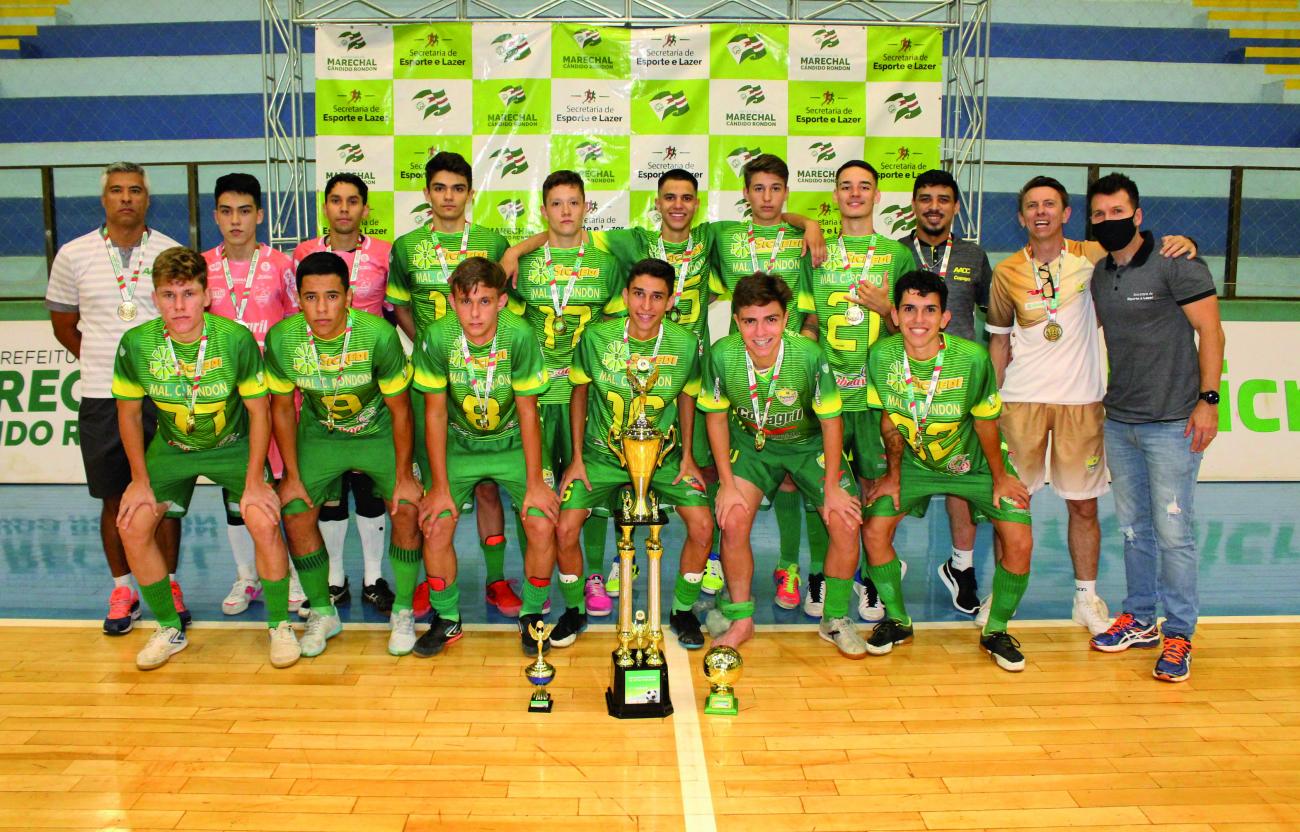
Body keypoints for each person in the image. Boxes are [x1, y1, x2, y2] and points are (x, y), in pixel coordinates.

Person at [501, 168, 727, 613]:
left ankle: (595, 575)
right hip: (540, 397)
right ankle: (539, 585)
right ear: (544, 210)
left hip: (597, 394)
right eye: (556, 204)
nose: (566, 211)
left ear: (587, 207)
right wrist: (514, 249)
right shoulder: (527, 264)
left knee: (597, 498)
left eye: (574, 203)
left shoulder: (607, 261)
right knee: (539, 498)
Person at [986, 175, 1199, 635]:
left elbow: (1144, 249)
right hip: (1020, 402)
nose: (1041, 212)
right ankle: (1003, 594)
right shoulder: (1005, 272)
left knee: (1083, 507)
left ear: (1066, 213)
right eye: (1031, 206)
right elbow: (999, 343)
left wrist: (1186, 242)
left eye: (1050, 204)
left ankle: (1085, 598)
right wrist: (991, 403)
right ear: (1021, 217)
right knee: (1012, 505)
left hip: (1081, 403)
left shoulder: (1095, 255)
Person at [111, 246, 298, 670]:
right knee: (132, 525)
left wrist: (255, 482)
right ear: (155, 298)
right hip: (172, 449)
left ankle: (280, 624)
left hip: (233, 446)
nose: (179, 306)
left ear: (207, 295)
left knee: (263, 518)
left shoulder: (234, 340)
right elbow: (128, 414)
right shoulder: (136, 344)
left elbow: (259, 411)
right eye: (169, 295)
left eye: (189, 294)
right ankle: (168, 628)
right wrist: (139, 480)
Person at [1084, 172, 1223, 684]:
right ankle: (1140, 618)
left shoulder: (1176, 262)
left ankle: (1179, 633)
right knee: (1132, 529)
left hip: (1173, 423)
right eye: (1099, 215)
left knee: (1173, 533)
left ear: (1138, 215)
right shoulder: (1100, 274)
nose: (1109, 221)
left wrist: (1208, 401)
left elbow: (1211, 332)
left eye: (1118, 213)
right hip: (1120, 421)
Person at [862, 269, 1034, 672]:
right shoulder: (882, 356)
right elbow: (889, 422)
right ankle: (898, 621)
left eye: (929, 310)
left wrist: (1000, 478)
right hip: (916, 463)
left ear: (945, 317)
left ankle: (996, 629)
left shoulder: (971, 359)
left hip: (975, 464)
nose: (918, 319)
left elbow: (986, 423)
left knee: (1019, 538)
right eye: (909, 309)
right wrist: (893, 475)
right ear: (896, 315)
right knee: (874, 529)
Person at [45, 161, 186, 636]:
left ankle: (169, 585)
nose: (126, 198)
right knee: (113, 498)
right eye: (117, 190)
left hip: (162, 395)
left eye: (136, 190)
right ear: (104, 198)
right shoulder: (73, 254)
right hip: (102, 395)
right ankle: (124, 589)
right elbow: (64, 324)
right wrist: (105, 363)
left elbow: (183, 318)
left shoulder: (170, 251)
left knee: (165, 497)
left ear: (148, 199)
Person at [697, 273, 865, 657]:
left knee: (845, 520)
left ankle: (835, 619)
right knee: (732, 518)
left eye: (770, 319)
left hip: (808, 446)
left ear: (786, 318)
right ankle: (741, 619)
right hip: (753, 445)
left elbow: (831, 421)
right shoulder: (722, 355)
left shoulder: (808, 356)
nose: (760, 332)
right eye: (750, 321)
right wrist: (727, 484)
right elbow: (716, 419)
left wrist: (833, 487)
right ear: (736, 321)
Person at [552, 258, 714, 649]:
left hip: (663, 457)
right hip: (600, 455)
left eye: (657, 297)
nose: (646, 305)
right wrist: (576, 457)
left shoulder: (685, 343)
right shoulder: (596, 338)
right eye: (639, 294)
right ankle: (574, 611)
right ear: (625, 295)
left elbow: (688, 397)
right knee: (565, 527)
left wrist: (688, 455)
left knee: (703, 525)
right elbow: (579, 393)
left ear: (670, 301)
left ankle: (682, 611)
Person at [265, 251, 421, 657]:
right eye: (311, 297)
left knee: (406, 506)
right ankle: (323, 612)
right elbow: (282, 408)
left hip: (377, 433)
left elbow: (401, 410)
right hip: (322, 434)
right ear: (298, 299)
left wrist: (405, 475)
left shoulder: (378, 335)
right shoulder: (283, 339)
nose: (322, 308)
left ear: (349, 297)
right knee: (295, 509)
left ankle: (403, 610)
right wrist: (291, 475)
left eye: (332, 296)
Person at [386, 152, 521, 618]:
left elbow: (505, 304)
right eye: (440, 188)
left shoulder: (492, 241)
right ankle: (433, 580)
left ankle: (497, 580)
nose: (448, 197)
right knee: (432, 485)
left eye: (458, 188)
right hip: (433, 384)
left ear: (470, 194)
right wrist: (429, 346)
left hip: (484, 381)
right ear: (427, 193)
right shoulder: (407, 247)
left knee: (487, 488)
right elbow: (399, 306)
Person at [413, 257, 560, 656]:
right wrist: (439, 487)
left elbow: (528, 412)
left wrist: (535, 483)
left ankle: (532, 615)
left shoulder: (519, 334)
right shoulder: (437, 337)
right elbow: (434, 413)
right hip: (460, 444)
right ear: (452, 301)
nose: (474, 313)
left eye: (484, 301)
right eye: (465, 302)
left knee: (541, 522)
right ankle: (447, 618)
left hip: (513, 443)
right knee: (436, 524)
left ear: (501, 301)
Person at [709, 153, 828, 614]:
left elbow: (812, 307)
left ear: (786, 192)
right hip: (742, 371)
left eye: (776, 188)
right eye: (758, 188)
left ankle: (790, 566)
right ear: (745, 193)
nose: (766, 197)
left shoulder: (802, 240)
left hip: (791, 370)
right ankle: (720, 562)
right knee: (728, 472)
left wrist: (808, 224)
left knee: (794, 480)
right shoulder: (724, 236)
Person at [799, 160, 916, 622]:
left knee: (872, 488)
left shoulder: (896, 256)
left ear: (877, 195)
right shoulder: (818, 251)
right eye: (846, 186)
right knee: (822, 491)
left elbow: (913, 327)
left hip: (875, 396)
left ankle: (871, 578)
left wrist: (887, 308)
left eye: (864, 186)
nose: (854, 193)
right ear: (834, 195)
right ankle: (819, 573)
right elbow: (809, 320)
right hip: (827, 397)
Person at [202, 172, 307, 617]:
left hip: (276, 398)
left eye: (244, 211)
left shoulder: (282, 266)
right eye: (226, 211)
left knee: (283, 487)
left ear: (259, 215)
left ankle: (292, 574)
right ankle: (247, 576)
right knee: (236, 490)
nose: (236, 221)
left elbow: (297, 328)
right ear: (215, 216)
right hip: (224, 402)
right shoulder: (202, 267)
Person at [291, 173, 396, 613]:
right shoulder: (303, 253)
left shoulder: (385, 254)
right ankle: (335, 578)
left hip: (368, 382)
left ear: (365, 209)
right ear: (325, 207)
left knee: (369, 488)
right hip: (319, 383)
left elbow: (394, 312)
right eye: (336, 200)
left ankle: (374, 578)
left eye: (353, 201)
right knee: (330, 493)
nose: (344, 209)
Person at [898, 169, 993, 616]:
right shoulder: (895, 252)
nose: (933, 206)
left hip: (959, 387)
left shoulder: (974, 255)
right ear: (913, 205)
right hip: (904, 385)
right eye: (925, 198)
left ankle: (962, 566)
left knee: (961, 476)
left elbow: (995, 316)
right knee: (888, 475)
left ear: (955, 206)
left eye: (942, 199)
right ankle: (878, 565)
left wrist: (991, 375)